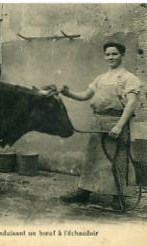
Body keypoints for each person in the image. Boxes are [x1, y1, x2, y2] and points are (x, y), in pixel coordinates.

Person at [60, 42, 142, 209]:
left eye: (114, 54)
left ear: (122, 55)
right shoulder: (101, 78)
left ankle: (118, 197)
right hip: (98, 122)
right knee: (92, 159)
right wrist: (67, 92)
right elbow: (84, 95)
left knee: (118, 160)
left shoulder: (129, 78)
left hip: (116, 123)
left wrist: (119, 126)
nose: (110, 57)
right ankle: (84, 192)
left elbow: (131, 103)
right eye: (108, 54)